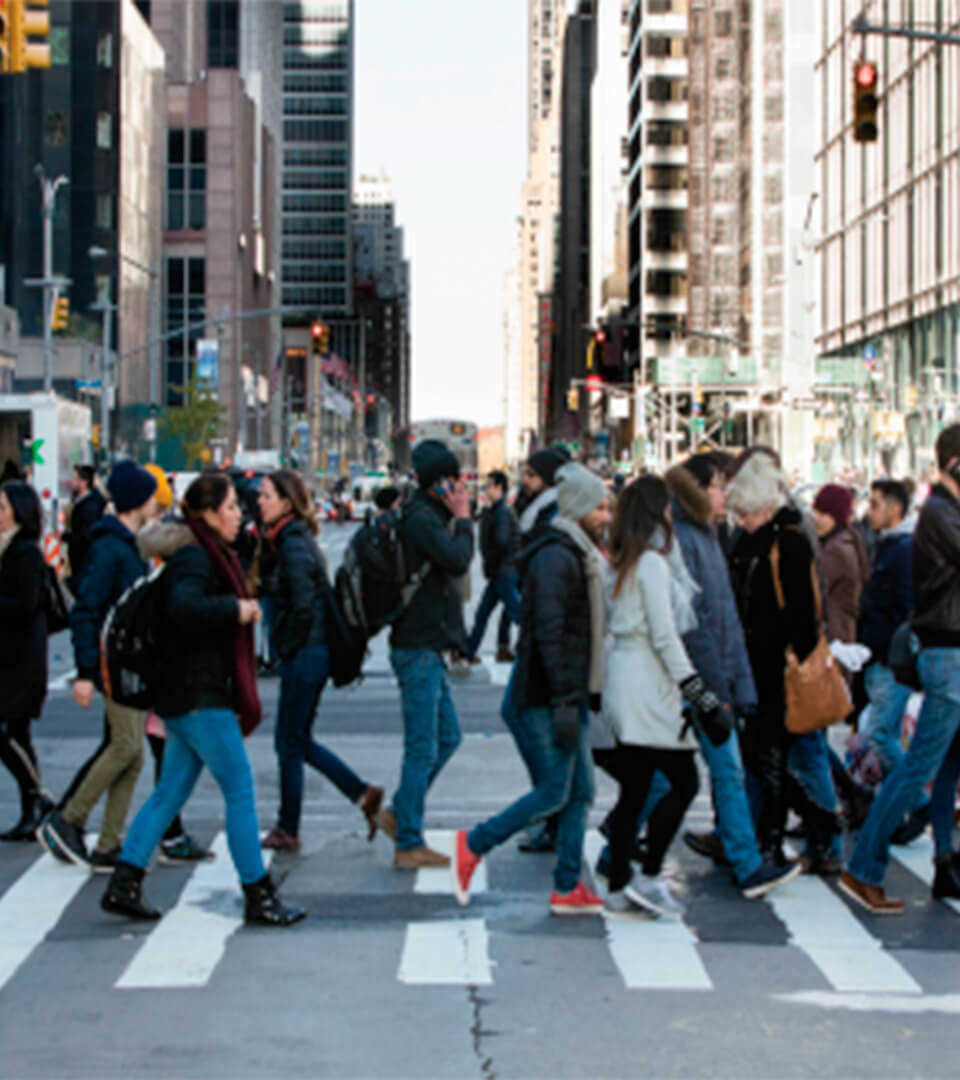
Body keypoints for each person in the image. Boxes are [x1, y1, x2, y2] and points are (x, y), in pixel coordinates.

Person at [100, 472, 304, 926]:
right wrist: (237, 610)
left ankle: (124, 882)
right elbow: (183, 609)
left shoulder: (202, 551)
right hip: (199, 694)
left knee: (170, 791)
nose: (238, 515)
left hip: (184, 693)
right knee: (239, 789)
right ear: (209, 514)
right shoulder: (196, 557)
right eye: (231, 507)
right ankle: (259, 895)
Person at [452, 463, 609, 915]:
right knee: (557, 791)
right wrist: (565, 701)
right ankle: (476, 841)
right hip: (547, 695)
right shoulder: (557, 557)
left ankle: (566, 886)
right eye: (598, 507)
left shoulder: (574, 551)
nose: (606, 516)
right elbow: (552, 635)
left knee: (580, 792)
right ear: (578, 507)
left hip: (565, 693)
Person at [665, 458, 802, 898]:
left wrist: (738, 685)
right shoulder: (686, 538)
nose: (727, 495)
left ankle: (618, 840)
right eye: (721, 486)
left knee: (686, 773)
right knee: (722, 770)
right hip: (698, 681)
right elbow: (698, 623)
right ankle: (746, 863)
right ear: (700, 490)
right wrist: (721, 688)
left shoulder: (708, 535)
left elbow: (725, 619)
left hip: (709, 679)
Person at [841, 426, 960, 912]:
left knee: (946, 764)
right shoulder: (938, 513)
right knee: (917, 770)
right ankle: (864, 867)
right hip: (947, 656)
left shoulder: (945, 512)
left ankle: (945, 862)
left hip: (951, 653)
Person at [39, 461, 158, 871]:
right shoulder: (111, 548)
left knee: (132, 753)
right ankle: (67, 819)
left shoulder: (123, 544)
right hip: (115, 664)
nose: (155, 504)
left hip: (128, 663)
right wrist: (86, 672)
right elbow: (87, 611)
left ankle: (108, 843)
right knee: (126, 745)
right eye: (150, 497)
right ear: (137, 501)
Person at [257, 469, 383, 852]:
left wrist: (285, 648)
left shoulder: (293, 543)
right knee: (297, 740)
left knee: (289, 743)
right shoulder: (290, 538)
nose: (258, 501)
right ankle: (362, 794)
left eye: (265, 495)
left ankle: (288, 827)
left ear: (286, 502)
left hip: (306, 654)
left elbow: (302, 605)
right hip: (312, 653)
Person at [727, 453, 842, 868]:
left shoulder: (787, 540)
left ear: (761, 505)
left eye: (744, 511)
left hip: (776, 666)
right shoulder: (759, 540)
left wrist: (799, 657)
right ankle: (812, 826)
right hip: (760, 664)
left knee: (772, 758)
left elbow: (802, 613)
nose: (739, 519)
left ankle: (786, 836)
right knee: (767, 757)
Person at [376, 439, 474, 870]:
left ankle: (399, 813)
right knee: (421, 747)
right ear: (437, 483)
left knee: (448, 737)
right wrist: (465, 520)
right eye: (453, 480)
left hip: (428, 646)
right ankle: (409, 841)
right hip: (415, 647)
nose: (459, 487)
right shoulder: (422, 520)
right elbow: (457, 561)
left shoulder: (428, 516)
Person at [135, 467, 214, 864]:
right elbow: (183, 611)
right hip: (174, 685)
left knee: (167, 773)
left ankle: (142, 859)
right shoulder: (186, 550)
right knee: (232, 784)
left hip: (169, 686)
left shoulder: (173, 546)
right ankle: (159, 843)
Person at [0, 482, 54, 840]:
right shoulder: (7, 549)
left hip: (21, 658)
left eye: (3, 507)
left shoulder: (25, 552)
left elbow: (25, 604)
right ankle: (31, 808)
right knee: (17, 734)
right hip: (9, 656)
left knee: (10, 732)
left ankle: (38, 799)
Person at [858, 480, 915, 779]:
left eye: (876, 505)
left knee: (881, 735)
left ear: (895, 509)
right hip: (877, 656)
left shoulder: (903, 549)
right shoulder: (886, 545)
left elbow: (906, 607)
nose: (870, 512)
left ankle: (913, 800)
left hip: (889, 660)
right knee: (879, 734)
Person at [465, 470, 521, 664]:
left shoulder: (502, 512)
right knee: (487, 613)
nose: (485, 490)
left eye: (489, 485)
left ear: (499, 488)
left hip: (503, 571)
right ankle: (470, 652)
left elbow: (502, 542)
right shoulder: (496, 510)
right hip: (500, 570)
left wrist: (491, 561)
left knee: (515, 612)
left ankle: (535, 646)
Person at [812, 484, 871, 649]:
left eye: (823, 514)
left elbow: (814, 587)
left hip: (833, 636)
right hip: (842, 632)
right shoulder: (847, 539)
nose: (816, 518)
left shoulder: (836, 550)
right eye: (815, 512)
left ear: (836, 517)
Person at [515, 447, 569, 545]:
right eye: (525, 474)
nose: (525, 480)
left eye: (531, 475)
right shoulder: (533, 504)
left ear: (547, 476)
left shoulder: (553, 512)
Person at [64, 465, 106, 588]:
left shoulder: (89, 507)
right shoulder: (84, 502)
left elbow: (86, 536)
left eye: (75, 479)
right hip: (81, 561)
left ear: (84, 482)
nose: (72, 482)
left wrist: (65, 537)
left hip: (84, 561)